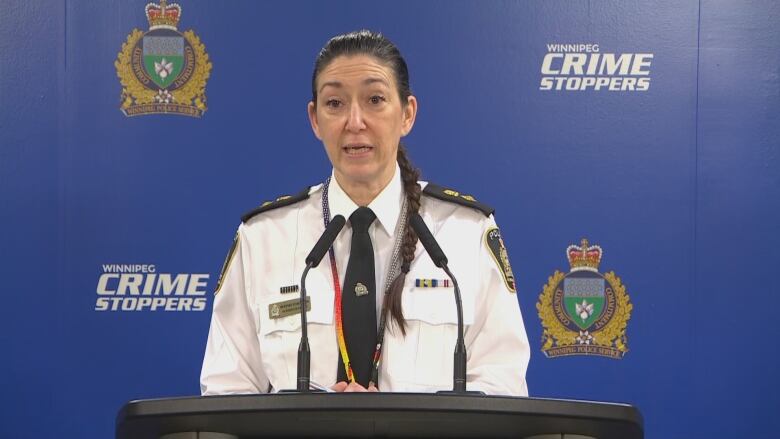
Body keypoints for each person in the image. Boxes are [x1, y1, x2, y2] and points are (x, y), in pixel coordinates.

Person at [200, 30, 530, 395]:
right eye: (335, 103)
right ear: (315, 119)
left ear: (407, 114)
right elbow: (226, 391)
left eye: (375, 99)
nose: (354, 122)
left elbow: (503, 388)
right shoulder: (264, 237)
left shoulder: (465, 233)